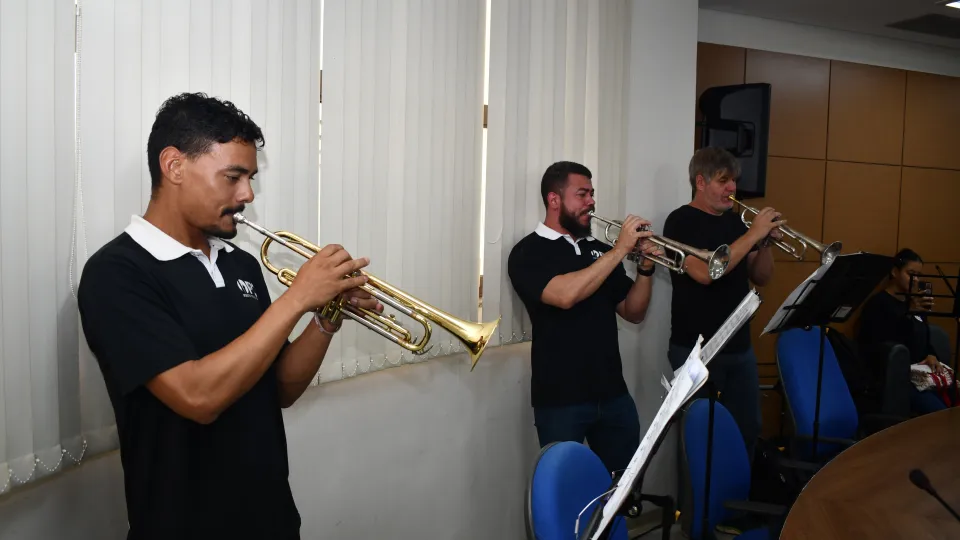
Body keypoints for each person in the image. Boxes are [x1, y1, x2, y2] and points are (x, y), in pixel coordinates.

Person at [77, 92, 381, 540]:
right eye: (233, 177)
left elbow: (279, 388)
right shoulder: (117, 273)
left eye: (250, 178)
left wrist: (325, 319)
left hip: (272, 519)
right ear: (174, 166)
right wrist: (295, 300)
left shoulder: (240, 264)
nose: (247, 195)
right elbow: (199, 397)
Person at [506, 160, 663, 474]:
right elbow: (565, 296)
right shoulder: (527, 253)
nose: (591, 201)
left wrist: (645, 268)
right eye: (582, 194)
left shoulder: (599, 249)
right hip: (560, 399)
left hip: (614, 394)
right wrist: (619, 251)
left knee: (624, 488)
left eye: (592, 193)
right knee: (566, 490)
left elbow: (633, 312)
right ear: (554, 200)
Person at [661, 146, 782, 463]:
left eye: (734, 181)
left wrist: (764, 244)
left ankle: (737, 506)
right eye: (723, 180)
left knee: (747, 429)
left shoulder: (736, 225)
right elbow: (705, 273)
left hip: (739, 346)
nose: (732, 188)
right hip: (695, 350)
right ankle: (700, 510)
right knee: (700, 438)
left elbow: (762, 276)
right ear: (700, 182)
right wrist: (753, 233)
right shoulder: (679, 221)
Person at [857, 248, 951, 415]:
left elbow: (924, 336)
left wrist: (931, 354)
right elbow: (883, 345)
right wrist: (910, 314)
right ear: (894, 272)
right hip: (899, 379)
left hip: (924, 375)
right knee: (940, 413)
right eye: (910, 273)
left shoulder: (914, 302)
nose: (915, 280)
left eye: (918, 275)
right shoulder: (878, 304)